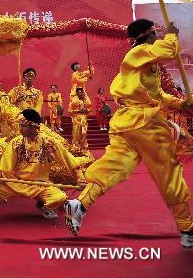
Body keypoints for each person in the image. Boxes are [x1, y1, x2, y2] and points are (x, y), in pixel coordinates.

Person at [64, 19, 193, 248]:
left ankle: (80, 205)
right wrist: (172, 34)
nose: (158, 36)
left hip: (127, 125)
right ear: (150, 33)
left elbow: (157, 95)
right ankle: (187, 228)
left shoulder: (141, 65)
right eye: (157, 32)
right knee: (169, 173)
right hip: (146, 124)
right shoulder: (139, 52)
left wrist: (179, 104)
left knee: (115, 166)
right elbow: (169, 50)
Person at [0, 109, 86, 220]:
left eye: (23, 126)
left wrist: (80, 179)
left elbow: (70, 161)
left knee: (59, 198)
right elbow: (4, 166)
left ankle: (44, 205)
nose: (20, 129)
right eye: (20, 125)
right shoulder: (16, 143)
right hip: (15, 182)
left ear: (33, 127)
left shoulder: (50, 143)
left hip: (41, 185)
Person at [68, 87, 91, 152]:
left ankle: (84, 150)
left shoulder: (85, 100)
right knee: (76, 136)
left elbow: (89, 110)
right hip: (77, 121)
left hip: (84, 121)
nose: (81, 93)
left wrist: (86, 110)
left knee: (84, 136)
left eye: (82, 92)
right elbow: (69, 111)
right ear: (77, 93)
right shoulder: (74, 101)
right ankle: (76, 150)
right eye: (80, 92)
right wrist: (78, 111)